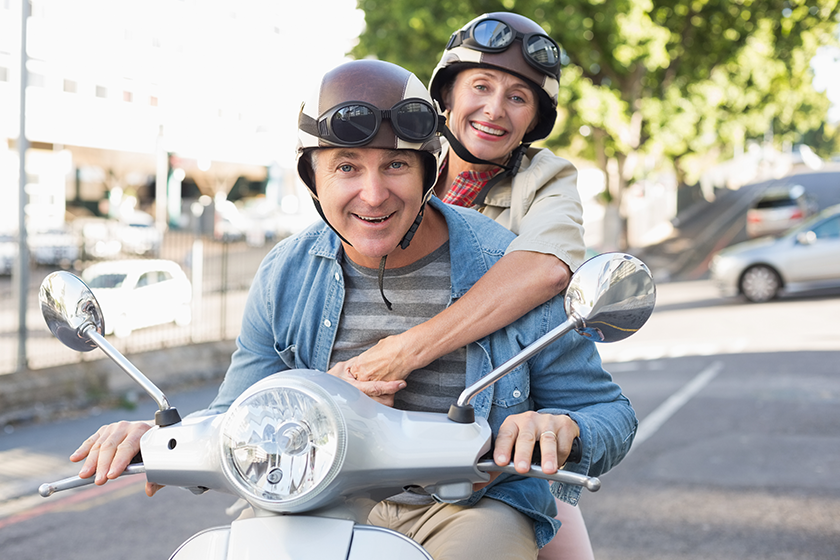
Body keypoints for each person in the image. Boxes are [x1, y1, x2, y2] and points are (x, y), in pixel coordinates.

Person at [69, 59, 636, 560]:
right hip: (313, 498)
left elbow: (608, 413)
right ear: (312, 177)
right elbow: (235, 411)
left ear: (428, 173)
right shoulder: (284, 274)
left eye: (395, 165)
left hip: (466, 507)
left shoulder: (502, 267)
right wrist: (153, 435)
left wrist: (561, 427)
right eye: (345, 166)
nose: (372, 193)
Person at [329, 12, 594, 559]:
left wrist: (407, 349)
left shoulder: (544, 180)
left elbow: (547, 266)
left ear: (534, 120)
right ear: (446, 96)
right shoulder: (400, 164)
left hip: (493, 442)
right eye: (481, 86)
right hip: (360, 439)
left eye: (518, 97)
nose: (495, 109)